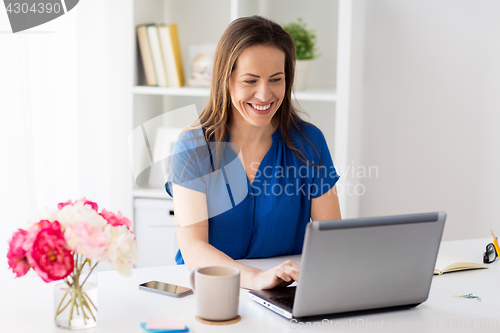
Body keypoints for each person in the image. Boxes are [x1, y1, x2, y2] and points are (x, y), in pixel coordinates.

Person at [165, 15, 341, 290]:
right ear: (226, 79)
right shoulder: (193, 148)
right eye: (250, 80)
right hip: (210, 291)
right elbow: (193, 247)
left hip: (284, 294)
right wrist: (256, 279)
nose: (264, 94)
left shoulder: (309, 142)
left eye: (275, 79)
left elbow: (331, 241)